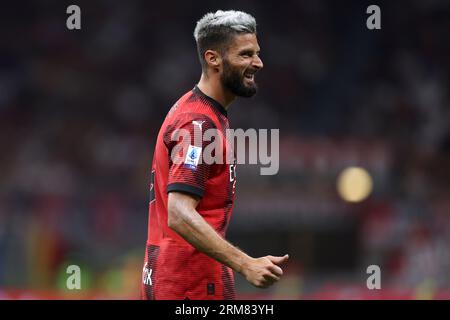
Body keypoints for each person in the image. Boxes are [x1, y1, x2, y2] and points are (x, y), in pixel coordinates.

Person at [141, 10, 289, 300]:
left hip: (188, 275)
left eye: (257, 54)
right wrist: (246, 264)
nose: (258, 63)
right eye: (246, 55)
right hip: (188, 283)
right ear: (213, 59)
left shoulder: (198, 110)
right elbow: (179, 213)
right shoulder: (198, 124)